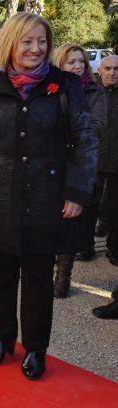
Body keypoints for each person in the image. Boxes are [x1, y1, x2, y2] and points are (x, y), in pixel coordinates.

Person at [0, 12, 97, 380]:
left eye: (42, 42)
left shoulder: (65, 86)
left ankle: (35, 349)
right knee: (0, 275)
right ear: (11, 44)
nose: (36, 48)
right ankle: (2, 339)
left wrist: (77, 191)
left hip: (46, 200)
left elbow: (86, 141)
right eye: (27, 41)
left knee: (36, 280)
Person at [51, 44, 106, 296]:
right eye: (71, 62)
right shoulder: (49, 87)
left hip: (78, 165)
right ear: (59, 65)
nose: (76, 66)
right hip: (50, 164)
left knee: (71, 221)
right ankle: (45, 270)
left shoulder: (94, 91)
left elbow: (97, 126)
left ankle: (63, 276)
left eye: (80, 62)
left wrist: (70, 135)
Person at [95, 55, 118, 266]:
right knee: (88, 206)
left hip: (116, 162)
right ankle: (84, 246)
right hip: (93, 160)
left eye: (116, 69)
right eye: (108, 68)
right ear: (100, 70)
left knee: (115, 208)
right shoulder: (91, 93)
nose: (112, 73)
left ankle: (114, 248)